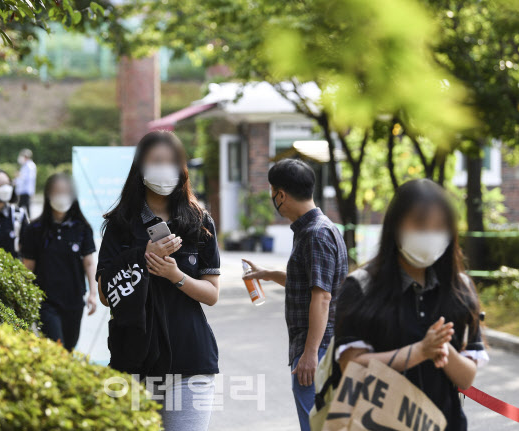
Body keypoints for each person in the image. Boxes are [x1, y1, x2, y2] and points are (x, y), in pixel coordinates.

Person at [334, 179, 487, 430]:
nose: (430, 234)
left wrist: (442, 349)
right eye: (419, 224)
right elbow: (350, 366)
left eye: (439, 227)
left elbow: (467, 378)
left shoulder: (460, 288)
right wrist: (419, 352)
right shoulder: (360, 287)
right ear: (395, 225)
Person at [96, 130, 221, 431]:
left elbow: (211, 293)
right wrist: (143, 259)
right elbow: (104, 293)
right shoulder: (120, 225)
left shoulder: (199, 222)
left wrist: (175, 276)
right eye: (156, 161)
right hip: (134, 362)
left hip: (190, 362)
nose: (164, 169)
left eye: (171, 161)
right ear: (140, 168)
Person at [242, 159, 347, 431]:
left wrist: (310, 354)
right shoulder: (317, 229)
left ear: (281, 195)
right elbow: (309, 284)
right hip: (322, 346)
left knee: (316, 425)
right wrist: (267, 274)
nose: (272, 199)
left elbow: (322, 297)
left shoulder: (315, 234)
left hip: (319, 349)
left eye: (272, 192)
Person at [21, 173, 97, 351]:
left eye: (65, 191)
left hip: (74, 299)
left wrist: (93, 293)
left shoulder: (82, 228)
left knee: (68, 348)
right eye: (57, 191)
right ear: (48, 195)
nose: (61, 195)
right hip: (46, 301)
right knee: (57, 348)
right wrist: (24, 297)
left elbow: (89, 262)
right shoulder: (35, 229)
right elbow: (27, 267)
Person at [15, 148, 36, 216]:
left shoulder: (29, 166)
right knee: (25, 207)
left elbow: (26, 179)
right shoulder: (25, 166)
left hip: (26, 191)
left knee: (22, 207)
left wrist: (19, 176)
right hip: (23, 191)